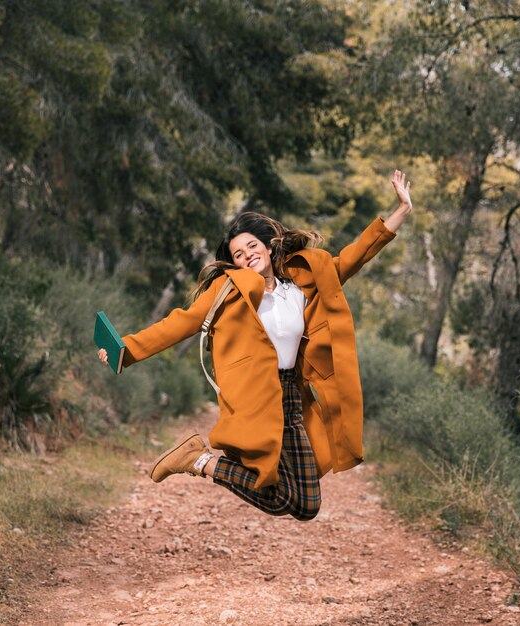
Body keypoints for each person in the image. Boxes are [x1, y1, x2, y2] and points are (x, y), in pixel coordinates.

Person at [98, 170, 413, 521]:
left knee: (306, 505)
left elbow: (355, 256)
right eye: (237, 253)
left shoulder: (300, 286)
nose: (247, 255)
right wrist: (123, 349)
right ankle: (197, 460)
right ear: (232, 263)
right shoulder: (229, 291)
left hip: (294, 399)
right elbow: (181, 323)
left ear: (267, 245)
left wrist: (401, 210)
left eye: (252, 246)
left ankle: (197, 459)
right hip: (257, 398)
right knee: (280, 495)